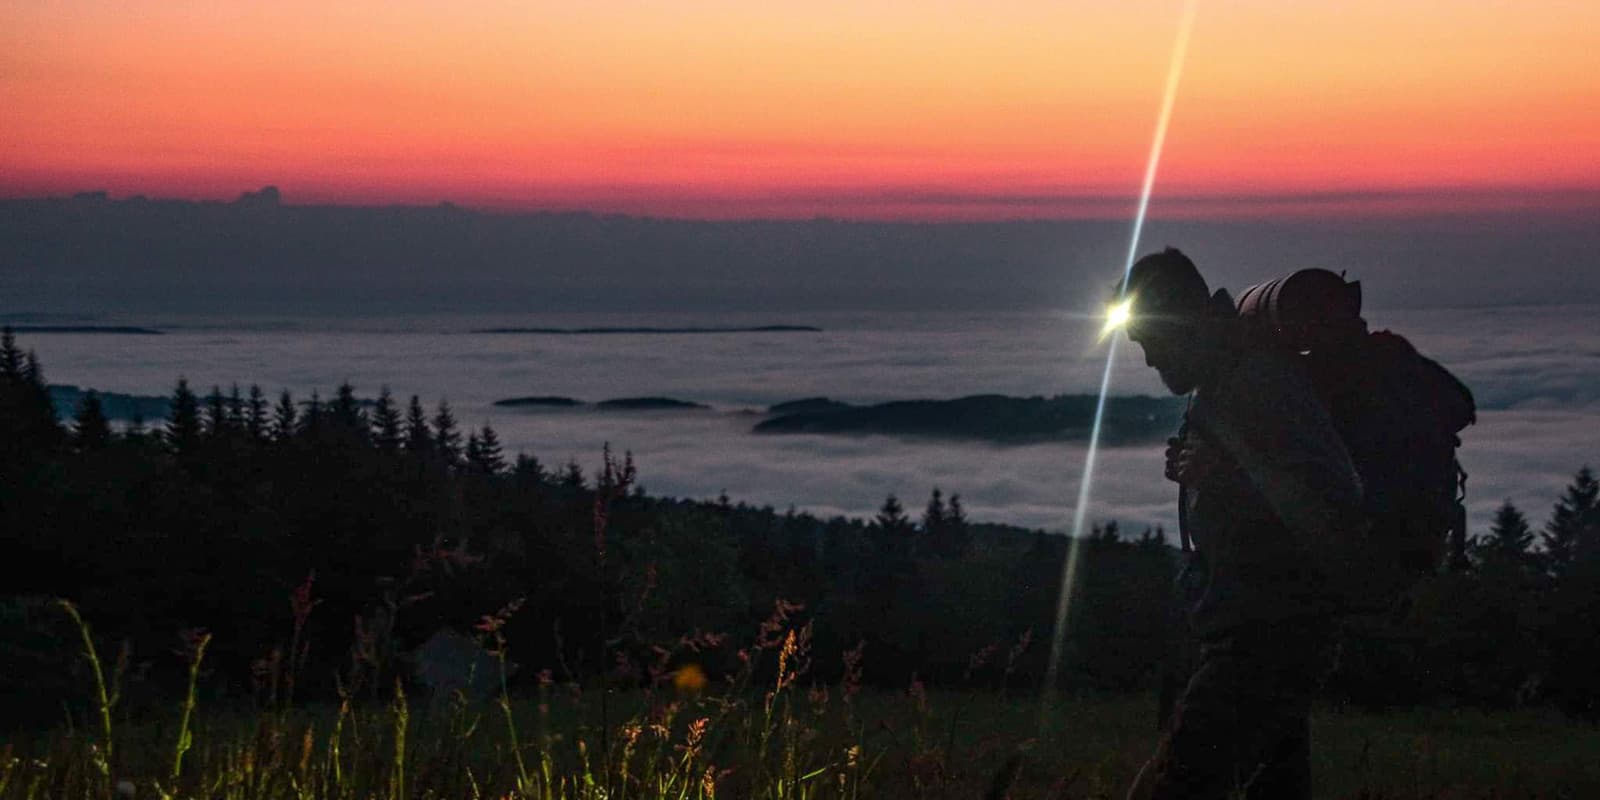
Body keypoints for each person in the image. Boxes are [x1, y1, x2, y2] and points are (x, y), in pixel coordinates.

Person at [1118, 248, 1368, 800]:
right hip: (1259, 633)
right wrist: (1206, 475)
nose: (1150, 362)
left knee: (1173, 787)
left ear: (1182, 323)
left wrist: (1230, 479)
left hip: (1269, 640)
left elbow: (1337, 498)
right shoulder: (1225, 378)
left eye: (1150, 343)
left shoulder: (1260, 380)